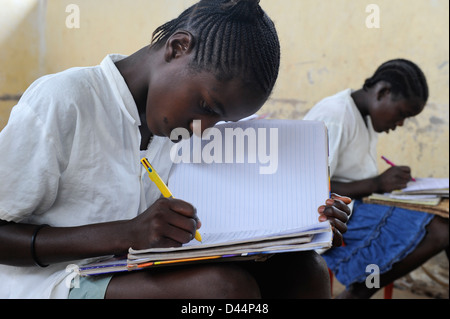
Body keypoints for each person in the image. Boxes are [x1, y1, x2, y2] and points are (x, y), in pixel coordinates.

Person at [0, 0, 350, 299]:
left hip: (142, 269)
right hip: (61, 279)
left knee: (305, 272)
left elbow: (225, 226)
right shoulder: (65, 101)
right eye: (208, 107)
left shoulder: (184, 126)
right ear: (177, 47)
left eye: (222, 120)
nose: (206, 128)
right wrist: (127, 232)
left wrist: (307, 223)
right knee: (222, 292)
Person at [304, 59, 449, 299]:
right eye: (402, 114)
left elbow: (353, 173)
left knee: (444, 218)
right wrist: (377, 184)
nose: (401, 123)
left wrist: (386, 185)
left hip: (358, 205)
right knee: (441, 230)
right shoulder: (335, 115)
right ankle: (360, 292)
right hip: (332, 215)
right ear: (383, 92)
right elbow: (310, 185)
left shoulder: (364, 116)